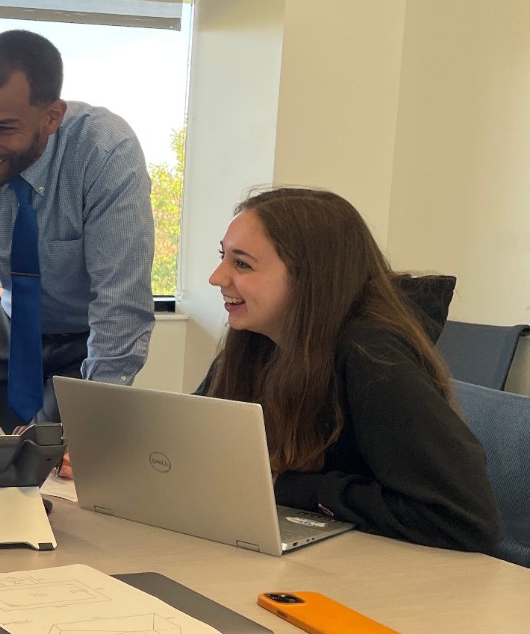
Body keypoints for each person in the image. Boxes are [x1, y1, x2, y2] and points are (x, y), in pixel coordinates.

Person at [203, 187, 501, 552]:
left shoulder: (372, 357)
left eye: (242, 264)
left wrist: (288, 487)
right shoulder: (255, 340)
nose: (217, 278)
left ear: (309, 277)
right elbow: (203, 448)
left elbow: (462, 518)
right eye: (223, 257)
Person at [0, 29, 156, 453]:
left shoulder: (106, 151)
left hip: (90, 341)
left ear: (52, 117)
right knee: (19, 466)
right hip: (14, 336)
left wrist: (90, 427)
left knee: (75, 463)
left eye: (4, 128)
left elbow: (120, 302)